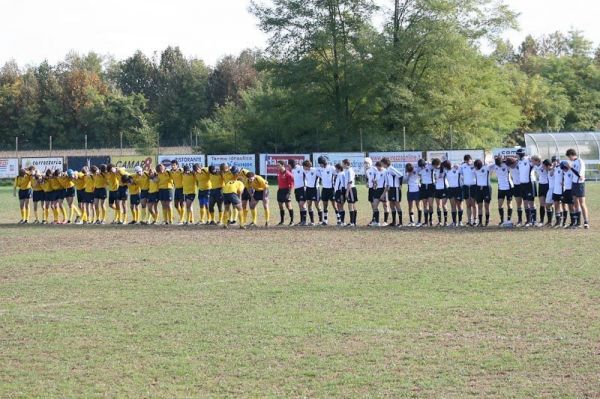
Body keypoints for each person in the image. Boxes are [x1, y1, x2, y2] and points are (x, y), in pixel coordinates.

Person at [566, 148, 589, 229]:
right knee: (575, 203)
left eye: (569, 157)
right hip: (574, 184)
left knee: (582, 203)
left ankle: (586, 222)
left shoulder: (580, 161)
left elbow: (580, 175)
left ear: (571, 155)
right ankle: (578, 222)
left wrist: (571, 168)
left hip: (580, 184)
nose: (569, 159)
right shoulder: (573, 162)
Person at [516, 148, 537, 227]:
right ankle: (528, 220)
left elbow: (537, 161)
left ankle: (534, 220)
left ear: (520, 154)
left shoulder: (528, 160)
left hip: (529, 183)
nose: (516, 156)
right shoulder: (519, 162)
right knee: (525, 202)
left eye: (517, 154)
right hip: (522, 184)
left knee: (531, 203)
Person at [490, 156, 513, 226]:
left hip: (509, 187)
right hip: (500, 188)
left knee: (509, 204)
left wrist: (505, 161)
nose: (498, 164)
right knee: (500, 205)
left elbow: (513, 163)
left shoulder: (506, 165)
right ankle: (502, 220)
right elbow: (487, 167)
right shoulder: (494, 166)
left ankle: (509, 220)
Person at [381, 157, 403, 227]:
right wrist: (384, 193)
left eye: (382, 163)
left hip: (395, 188)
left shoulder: (391, 168)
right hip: (390, 189)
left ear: (385, 163)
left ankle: (400, 223)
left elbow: (401, 175)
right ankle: (394, 222)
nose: (381, 164)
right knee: (391, 205)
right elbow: (387, 183)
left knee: (397, 205)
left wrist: (400, 185)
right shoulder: (386, 170)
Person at [317, 156, 336, 226]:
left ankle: (339, 220)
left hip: (331, 189)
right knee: (325, 205)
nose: (320, 165)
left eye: (320, 163)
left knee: (334, 205)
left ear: (324, 162)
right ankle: (325, 220)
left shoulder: (331, 168)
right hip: (324, 189)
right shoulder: (320, 169)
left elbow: (337, 174)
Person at [303, 160, 322, 225]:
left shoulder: (315, 170)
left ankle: (321, 220)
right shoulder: (305, 171)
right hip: (308, 189)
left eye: (304, 166)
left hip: (315, 189)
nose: (303, 168)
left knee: (317, 205)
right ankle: (312, 221)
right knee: (309, 204)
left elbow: (322, 176)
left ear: (307, 166)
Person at [532, 155, 549, 227]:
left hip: (548, 185)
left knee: (548, 204)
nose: (532, 162)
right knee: (542, 203)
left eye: (533, 161)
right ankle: (541, 221)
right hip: (541, 185)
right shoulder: (535, 166)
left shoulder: (544, 165)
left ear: (537, 161)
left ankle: (550, 221)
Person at [474, 159, 492, 227]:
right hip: (478, 188)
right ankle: (480, 222)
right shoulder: (475, 170)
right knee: (479, 206)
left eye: (475, 166)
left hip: (486, 188)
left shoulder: (486, 167)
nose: (475, 167)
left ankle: (487, 222)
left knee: (486, 206)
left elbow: (493, 163)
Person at [460, 155, 477, 226]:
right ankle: (469, 220)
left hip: (473, 186)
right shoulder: (462, 166)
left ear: (471, 159)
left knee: (474, 204)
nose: (468, 162)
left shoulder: (475, 166)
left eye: (469, 160)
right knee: (468, 204)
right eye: (466, 160)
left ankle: (475, 220)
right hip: (466, 187)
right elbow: (460, 174)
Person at [417, 159, 435, 227]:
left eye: (423, 166)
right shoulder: (419, 169)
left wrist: (429, 162)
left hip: (431, 186)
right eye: (420, 166)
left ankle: (431, 219)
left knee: (430, 204)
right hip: (423, 186)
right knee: (425, 204)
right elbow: (417, 175)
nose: (422, 167)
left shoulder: (430, 166)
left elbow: (435, 164)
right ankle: (425, 221)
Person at [369, 161, 388, 227]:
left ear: (381, 166)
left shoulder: (385, 171)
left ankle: (385, 221)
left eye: (378, 167)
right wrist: (374, 183)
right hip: (377, 189)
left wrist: (384, 193)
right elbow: (376, 180)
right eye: (377, 167)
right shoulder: (377, 172)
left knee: (385, 205)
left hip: (383, 189)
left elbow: (387, 183)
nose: (377, 168)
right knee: (374, 205)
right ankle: (377, 222)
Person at [445, 161, 463, 227]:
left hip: (458, 189)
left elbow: (462, 166)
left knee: (459, 205)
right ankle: (454, 222)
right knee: (453, 206)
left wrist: (457, 165)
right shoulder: (445, 171)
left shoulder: (457, 168)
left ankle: (460, 221)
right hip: (450, 189)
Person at [276, 160, 294, 226]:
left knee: (288, 206)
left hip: (286, 191)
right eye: (277, 165)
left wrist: (289, 193)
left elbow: (291, 185)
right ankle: (282, 221)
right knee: (280, 206)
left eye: (278, 165)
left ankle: (292, 221)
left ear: (283, 165)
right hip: (280, 191)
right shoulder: (278, 172)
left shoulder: (288, 174)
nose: (277, 167)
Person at [289, 159, 307, 226]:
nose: (289, 167)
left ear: (292, 164)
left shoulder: (301, 168)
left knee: (302, 204)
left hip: (303, 188)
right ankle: (301, 220)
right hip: (297, 189)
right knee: (300, 205)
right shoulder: (293, 170)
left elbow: (307, 174)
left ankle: (304, 221)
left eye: (289, 165)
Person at [506, 158, 523, 226]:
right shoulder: (509, 166)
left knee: (527, 203)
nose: (510, 167)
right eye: (509, 166)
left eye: (511, 165)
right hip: (516, 186)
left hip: (523, 185)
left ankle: (530, 220)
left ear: (514, 163)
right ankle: (520, 220)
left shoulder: (519, 165)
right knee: (518, 203)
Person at [343, 159, 358, 227]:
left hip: (351, 189)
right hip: (351, 189)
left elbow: (350, 182)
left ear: (346, 164)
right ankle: (353, 222)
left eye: (343, 163)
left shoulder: (349, 170)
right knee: (353, 205)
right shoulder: (347, 170)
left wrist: (347, 192)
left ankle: (352, 222)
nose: (342, 165)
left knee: (350, 206)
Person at [433, 159, 448, 227]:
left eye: (435, 165)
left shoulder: (444, 169)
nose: (434, 166)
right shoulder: (434, 169)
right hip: (437, 189)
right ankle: (439, 222)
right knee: (438, 206)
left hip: (444, 189)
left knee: (444, 205)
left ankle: (446, 221)